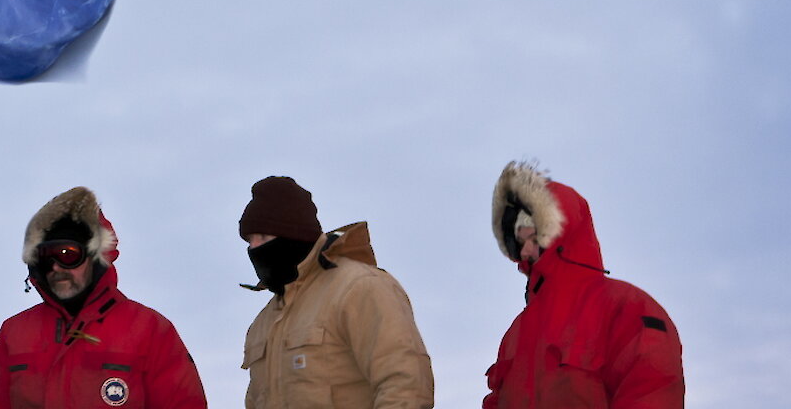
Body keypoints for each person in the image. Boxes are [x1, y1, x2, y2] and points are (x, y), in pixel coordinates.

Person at [0, 186, 207, 409]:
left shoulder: (150, 330)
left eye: (68, 254)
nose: (56, 268)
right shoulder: (14, 333)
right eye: (45, 258)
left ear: (95, 256)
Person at [483, 162, 684, 408]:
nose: (525, 250)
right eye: (518, 242)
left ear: (557, 232)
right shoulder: (515, 335)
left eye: (533, 237)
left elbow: (651, 391)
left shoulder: (628, 308)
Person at [238, 176, 434, 409]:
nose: (254, 248)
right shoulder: (263, 322)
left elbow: (406, 385)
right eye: (250, 240)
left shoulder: (360, 288)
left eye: (264, 237)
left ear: (294, 234)